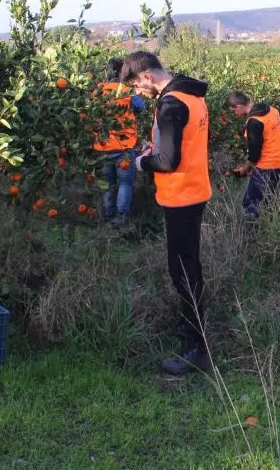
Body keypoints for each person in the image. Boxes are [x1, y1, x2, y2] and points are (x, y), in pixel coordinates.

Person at [120, 51, 212, 375]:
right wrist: (154, 151)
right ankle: (192, 330)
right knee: (190, 269)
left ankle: (196, 349)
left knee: (182, 273)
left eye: (135, 85)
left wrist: (143, 161)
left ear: (146, 76)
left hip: (181, 196)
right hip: (195, 190)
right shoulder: (191, 95)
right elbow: (181, 148)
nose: (137, 92)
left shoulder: (171, 103)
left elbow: (169, 161)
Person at [93, 57, 146, 228]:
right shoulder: (127, 90)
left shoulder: (98, 91)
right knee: (125, 183)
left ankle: (108, 216)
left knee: (107, 184)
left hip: (103, 147)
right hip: (124, 146)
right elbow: (141, 107)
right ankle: (121, 217)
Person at [226, 91, 280, 220]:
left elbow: (254, 156)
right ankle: (269, 229)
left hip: (268, 167)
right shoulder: (272, 110)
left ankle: (251, 237)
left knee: (249, 203)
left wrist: (245, 169)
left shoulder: (254, 122)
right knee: (270, 200)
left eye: (234, 111)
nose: (235, 114)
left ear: (238, 105)